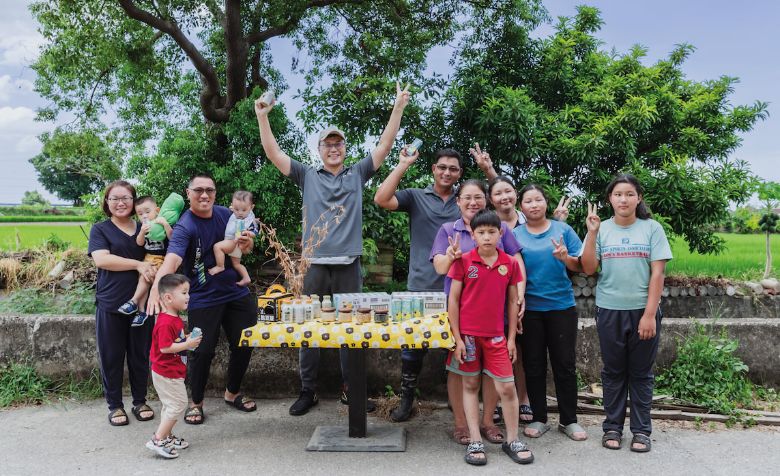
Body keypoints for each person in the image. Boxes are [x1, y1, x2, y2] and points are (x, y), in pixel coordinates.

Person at [256, 82, 411, 416]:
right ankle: (308, 390)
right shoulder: (306, 175)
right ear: (319, 149)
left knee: (351, 327)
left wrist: (398, 106)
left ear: (344, 147)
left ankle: (349, 389)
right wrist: (263, 118)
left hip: (348, 264)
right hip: (312, 264)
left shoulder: (357, 174)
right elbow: (273, 153)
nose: (334, 148)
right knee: (307, 326)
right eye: (328, 144)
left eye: (338, 143)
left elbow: (385, 145)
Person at [147, 174, 258, 425]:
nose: (204, 195)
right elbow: (173, 260)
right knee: (201, 350)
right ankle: (196, 402)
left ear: (216, 194)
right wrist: (156, 288)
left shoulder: (226, 215)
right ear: (189, 193)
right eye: (198, 190)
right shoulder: (186, 225)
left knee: (244, 342)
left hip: (234, 290)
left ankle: (232, 393)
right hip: (204, 296)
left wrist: (246, 243)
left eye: (209, 190)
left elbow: (243, 249)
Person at [581, 174, 673, 453]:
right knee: (613, 372)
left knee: (641, 373)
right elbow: (588, 268)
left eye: (629, 194)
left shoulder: (652, 228)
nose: (624, 199)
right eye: (618, 194)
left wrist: (648, 314)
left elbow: (658, 273)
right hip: (609, 310)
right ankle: (612, 427)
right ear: (610, 198)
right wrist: (592, 233)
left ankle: (642, 431)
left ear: (639, 198)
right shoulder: (601, 229)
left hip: (643, 312)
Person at [430, 179, 525, 445]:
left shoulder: (500, 227)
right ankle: (462, 425)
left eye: (478, 197)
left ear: (486, 200)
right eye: (467, 198)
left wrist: (520, 296)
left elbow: (516, 262)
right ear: (457, 201)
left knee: (493, 373)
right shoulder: (449, 229)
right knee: (462, 373)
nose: (473, 202)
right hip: (462, 315)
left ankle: (488, 422)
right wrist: (451, 256)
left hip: (495, 314)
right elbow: (439, 267)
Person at [373, 147, 463, 422]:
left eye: (453, 169)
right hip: (421, 286)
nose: (447, 172)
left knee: (460, 345)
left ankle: (457, 402)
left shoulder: (466, 199)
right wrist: (402, 164)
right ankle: (406, 400)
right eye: (442, 167)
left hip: (460, 286)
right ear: (433, 169)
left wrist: (487, 171)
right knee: (412, 348)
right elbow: (381, 198)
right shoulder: (416, 196)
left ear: (459, 174)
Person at [447, 209, 533, 466]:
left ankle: (513, 439)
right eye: (481, 232)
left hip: (497, 337)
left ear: (501, 234)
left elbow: (512, 302)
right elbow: (453, 300)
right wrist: (458, 338)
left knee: (506, 387)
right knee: (470, 386)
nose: (486, 237)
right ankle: (475, 440)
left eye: (491, 232)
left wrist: (509, 339)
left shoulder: (509, 263)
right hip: (469, 337)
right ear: (472, 235)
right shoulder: (462, 261)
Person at [513, 184, 587, 441]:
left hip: (561, 307)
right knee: (533, 365)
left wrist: (565, 258)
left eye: (538, 200)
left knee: (564, 365)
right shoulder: (515, 234)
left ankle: (569, 420)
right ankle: (539, 417)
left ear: (546, 202)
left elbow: (581, 265)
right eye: (528, 201)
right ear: (520, 207)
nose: (533, 205)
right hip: (529, 309)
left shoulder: (563, 230)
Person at [88, 180, 155, 426]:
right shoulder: (101, 229)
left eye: (125, 198)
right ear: (107, 203)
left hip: (143, 305)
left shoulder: (146, 227)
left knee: (140, 355)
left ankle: (140, 400)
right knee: (112, 356)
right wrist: (138, 264)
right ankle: (115, 405)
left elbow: (159, 254)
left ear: (134, 201)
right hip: (111, 303)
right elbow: (102, 260)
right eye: (114, 198)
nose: (120, 202)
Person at [146, 273, 202, 459]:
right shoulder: (165, 322)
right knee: (178, 404)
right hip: (166, 371)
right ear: (168, 298)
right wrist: (187, 345)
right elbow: (165, 347)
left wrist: (186, 339)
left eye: (188, 292)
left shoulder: (174, 318)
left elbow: (173, 341)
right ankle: (158, 439)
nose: (188, 296)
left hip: (172, 370)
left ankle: (167, 436)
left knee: (170, 405)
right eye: (184, 293)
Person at [117, 195, 173, 327]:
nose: (144, 216)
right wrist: (142, 232)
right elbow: (139, 243)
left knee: (145, 279)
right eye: (140, 214)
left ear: (157, 210)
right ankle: (141, 311)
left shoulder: (161, 222)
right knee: (143, 280)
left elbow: (172, 238)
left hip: (161, 259)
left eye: (147, 212)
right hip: (148, 258)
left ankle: (134, 302)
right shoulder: (142, 227)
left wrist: (165, 224)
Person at [209, 190, 259, 287]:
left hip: (233, 241)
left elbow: (255, 233)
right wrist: (233, 209)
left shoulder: (250, 220)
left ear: (251, 207)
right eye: (236, 209)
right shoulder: (237, 211)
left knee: (217, 247)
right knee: (236, 264)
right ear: (232, 206)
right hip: (236, 244)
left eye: (244, 210)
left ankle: (220, 266)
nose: (240, 213)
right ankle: (246, 277)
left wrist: (248, 233)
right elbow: (236, 208)